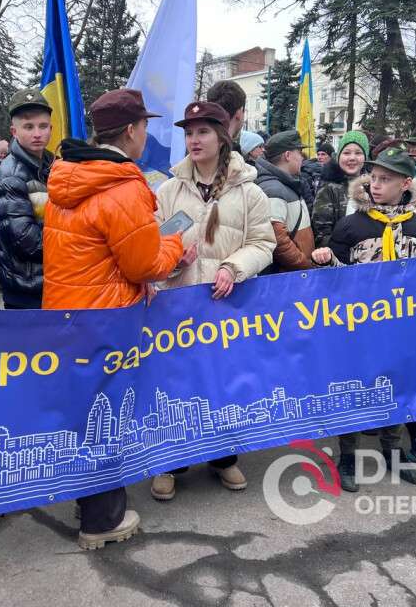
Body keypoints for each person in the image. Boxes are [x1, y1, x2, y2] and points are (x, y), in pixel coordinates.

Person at [43, 88, 185, 548]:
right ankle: (102, 520)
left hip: (68, 313)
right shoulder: (122, 185)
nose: (147, 133)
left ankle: (88, 500)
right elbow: (144, 265)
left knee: (84, 408)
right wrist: (178, 244)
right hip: (107, 316)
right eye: (144, 125)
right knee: (107, 410)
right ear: (131, 130)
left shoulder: (70, 175)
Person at [151, 100, 276, 501]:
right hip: (179, 306)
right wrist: (172, 262)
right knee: (177, 383)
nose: (194, 140)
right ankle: (171, 462)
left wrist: (233, 267)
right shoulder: (169, 190)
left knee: (223, 381)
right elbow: (157, 245)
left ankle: (223, 457)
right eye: (188, 133)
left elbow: (263, 243)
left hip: (226, 307)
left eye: (202, 131)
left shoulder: (251, 192)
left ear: (222, 138)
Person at [312, 147, 416, 490]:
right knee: (353, 387)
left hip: (402, 328)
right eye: (374, 178)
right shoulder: (351, 226)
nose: (376, 185)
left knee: (397, 385)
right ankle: (348, 453)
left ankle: (393, 449)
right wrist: (325, 261)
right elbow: (332, 283)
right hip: (357, 328)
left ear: (406, 183)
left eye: (386, 179)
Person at [0, 88, 55, 309]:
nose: (37, 133)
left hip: (50, 283)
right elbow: (26, 242)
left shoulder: (53, 166)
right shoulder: (10, 175)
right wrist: (76, 241)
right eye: (28, 127)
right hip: (26, 290)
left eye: (43, 126)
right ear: (14, 131)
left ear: (51, 128)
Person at [255, 130, 315, 271]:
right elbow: (278, 241)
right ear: (287, 155)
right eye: (299, 152)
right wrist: (305, 265)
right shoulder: (273, 189)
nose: (302, 158)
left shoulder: (284, 185)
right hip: (288, 276)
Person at [312, 131, 368, 247]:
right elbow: (321, 233)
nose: (352, 158)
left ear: (365, 157)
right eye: (346, 153)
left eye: (358, 153)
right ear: (338, 157)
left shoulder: (373, 185)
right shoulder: (329, 188)